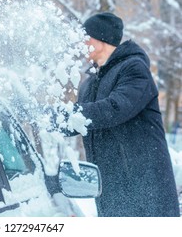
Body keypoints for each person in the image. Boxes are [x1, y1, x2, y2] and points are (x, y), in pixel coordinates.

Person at [68, 12, 180, 216]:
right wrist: (42, 119)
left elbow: (114, 109)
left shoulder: (134, 69)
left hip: (144, 191)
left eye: (86, 37)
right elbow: (79, 120)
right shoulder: (89, 83)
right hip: (109, 191)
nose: (81, 42)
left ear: (102, 39)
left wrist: (63, 116)